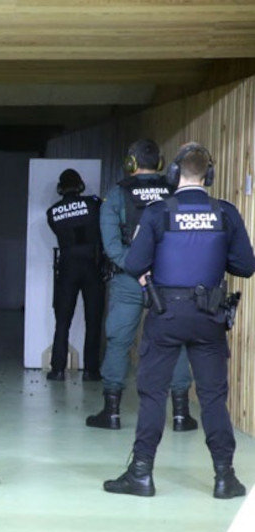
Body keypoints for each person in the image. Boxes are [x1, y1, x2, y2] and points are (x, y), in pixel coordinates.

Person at [103, 143, 254, 498]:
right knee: (214, 396)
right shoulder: (226, 213)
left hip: (166, 312)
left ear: (173, 174)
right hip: (209, 316)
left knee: (153, 394)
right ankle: (224, 477)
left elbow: (137, 264)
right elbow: (246, 266)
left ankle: (141, 474)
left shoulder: (158, 213)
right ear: (209, 176)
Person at [89, 139, 197, 430]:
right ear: (160, 164)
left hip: (129, 280)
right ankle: (180, 415)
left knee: (119, 342)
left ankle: (111, 413)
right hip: (169, 281)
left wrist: (138, 268)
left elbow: (112, 246)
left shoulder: (116, 195)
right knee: (175, 342)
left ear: (131, 164)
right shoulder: (175, 193)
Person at [45, 169, 104, 381]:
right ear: (80, 186)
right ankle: (91, 370)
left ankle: (58, 369)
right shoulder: (94, 204)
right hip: (92, 265)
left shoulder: (52, 212)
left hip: (68, 266)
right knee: (93, 320)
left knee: (62, 320)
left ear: (60, 189)